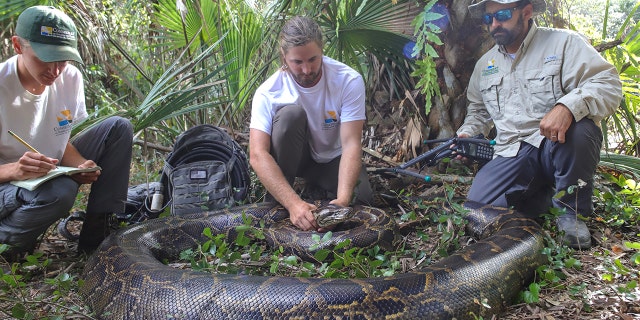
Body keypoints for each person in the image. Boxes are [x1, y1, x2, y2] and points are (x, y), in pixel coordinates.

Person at [458, 0, 622, 249]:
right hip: (510, 151)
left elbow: (607, 83)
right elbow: (478, 111)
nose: (494, 24)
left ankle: (571, 213)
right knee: (475, 211)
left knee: (581, 129)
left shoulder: (564, 43)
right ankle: (541, 199)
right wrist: (468, 132)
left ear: (526, 12)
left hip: (555, 143)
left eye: (501, 15)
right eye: (488, 18)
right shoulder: (485, 66)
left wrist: (567, 107)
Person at [0, 6, 133, 259]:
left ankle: (98, 240)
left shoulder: (70, 78)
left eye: (62, 59)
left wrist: (81, 166)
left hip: (44, 172)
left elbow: (59, 140)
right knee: (60, 191)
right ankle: (8, 243)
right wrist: (14, 170)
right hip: (7, 185)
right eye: (44, 57)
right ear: (18, 46)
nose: (54, 70)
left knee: (118, 128)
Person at [249, 16, 373, 231]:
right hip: (297, 161)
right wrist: (293, 204)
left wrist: (342, 203)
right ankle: (277, 203)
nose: (307, 70)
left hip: (332, 159)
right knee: (290, 116)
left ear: (322, 50)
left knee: (362, 201)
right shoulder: (268, 92)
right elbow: (258, 154)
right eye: (297, 62)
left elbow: (351, 144)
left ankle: (318, 190)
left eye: (313, 60)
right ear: (284, 57)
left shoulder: (348, 80)